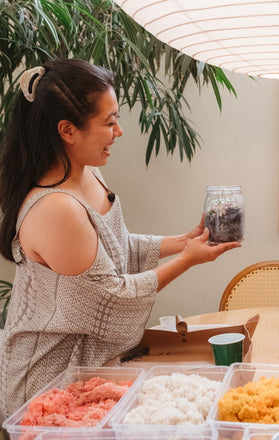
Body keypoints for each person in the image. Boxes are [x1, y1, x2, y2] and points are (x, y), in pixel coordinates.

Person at [0, 59, 240, 420]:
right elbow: (111, 296)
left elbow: (117, 246)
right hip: (47, 382)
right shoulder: (56, 208)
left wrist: (184, 241)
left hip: (86, 367)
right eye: (109, 122)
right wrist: (188, 260)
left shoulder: (86, 172)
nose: (120, 131)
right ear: (67, 130)